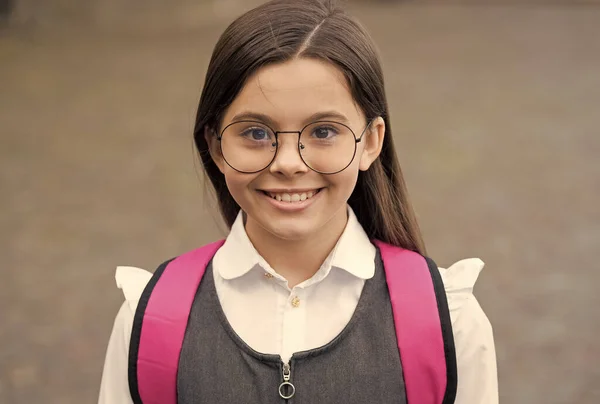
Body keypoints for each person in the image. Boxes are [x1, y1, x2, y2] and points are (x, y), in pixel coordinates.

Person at [98, 0, 498, 402]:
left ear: (371, 142)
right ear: (214, 145)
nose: (288, 164)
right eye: (256, 133)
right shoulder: (148, 321)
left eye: (324, 131)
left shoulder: (450, 318)